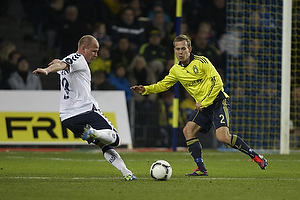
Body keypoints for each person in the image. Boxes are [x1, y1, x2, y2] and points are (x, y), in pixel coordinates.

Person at [131, 34, 268, 176]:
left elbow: (218, 83)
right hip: (203, 105)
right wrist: (146, 89)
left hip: (218, 101)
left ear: (189, 49)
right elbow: (163, 85)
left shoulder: (202, 62)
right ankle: (201, 169)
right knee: (188, 131)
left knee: (222, 137)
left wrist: (205, 102)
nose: (180, 52)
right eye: (177, 49)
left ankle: (256, 157)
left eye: (183, 48)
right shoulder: (176, 70)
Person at [33, 35, 137, 181]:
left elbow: (61, 65)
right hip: (85, 110)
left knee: (102, 144)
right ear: (83, 48)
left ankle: (126, 172)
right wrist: (46, 70)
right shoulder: (79, 59)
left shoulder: (69, 60)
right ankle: (94, 132)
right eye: (93, 51)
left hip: (67, 118)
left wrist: (53, 66)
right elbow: (62, 65)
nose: (95, 55)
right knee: (116, 140)